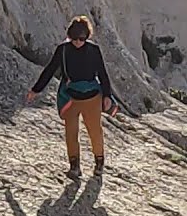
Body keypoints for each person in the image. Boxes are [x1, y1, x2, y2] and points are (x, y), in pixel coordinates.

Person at [25, 15, 118, 178]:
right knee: (71, 132)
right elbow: (50, 69)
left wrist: (107, 95)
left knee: (95, 131)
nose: (77, 42)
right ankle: (74, 166)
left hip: (92, 98)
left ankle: (99, 163)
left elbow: (103, 73)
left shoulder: (93, 50)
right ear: (69, 36)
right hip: (71, 98)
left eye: (81, 38)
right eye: (74, 38)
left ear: (87, 36)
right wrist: (36, 89)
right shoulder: (63, 50)